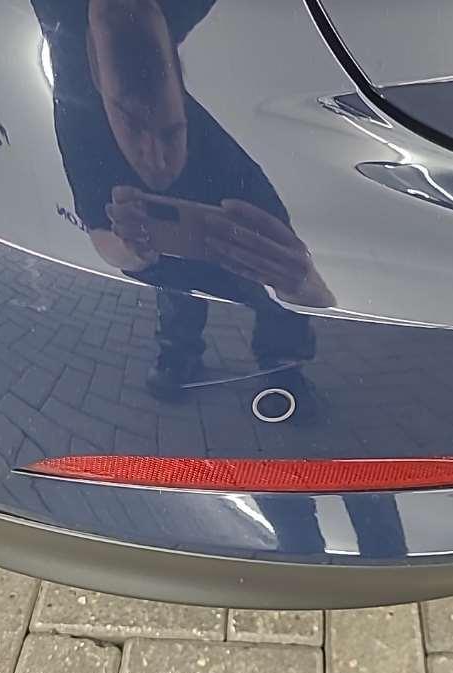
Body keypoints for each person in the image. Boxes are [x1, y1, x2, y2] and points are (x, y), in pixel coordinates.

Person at [33, 0, 334, 399]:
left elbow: (301, 275)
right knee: (175, 274)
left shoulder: (228, 165)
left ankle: (279, 358)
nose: (157, 160)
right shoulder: (83, 124)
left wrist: (300, 283)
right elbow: (99, 228)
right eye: (134, 127)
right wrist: (135, 251)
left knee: (260, 249)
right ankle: (185, 347)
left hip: (212, 162)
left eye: (170, 133)